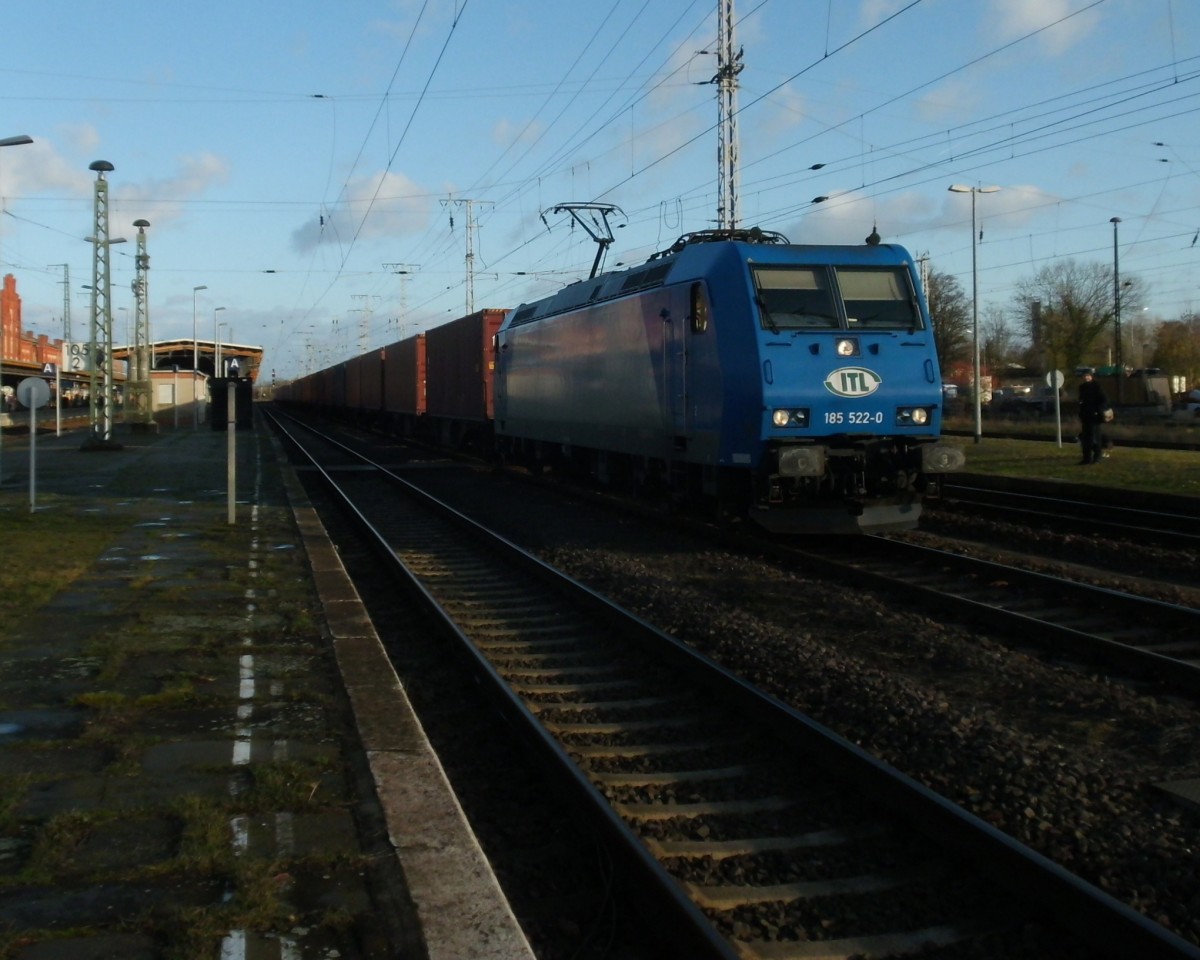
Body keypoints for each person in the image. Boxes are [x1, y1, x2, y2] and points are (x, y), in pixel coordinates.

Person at [1077, 371, 1108, 465]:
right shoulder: (1082, 388)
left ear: (1091, 377)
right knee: (1086, 438)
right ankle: (1086, 458)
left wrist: (1097, 411)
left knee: (1094, 437)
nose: (1086, 378)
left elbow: (1103, 400)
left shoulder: (1096, 387)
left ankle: (1097, 457)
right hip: (1085, 415)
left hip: (1094, 416)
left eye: (1088, 376)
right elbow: (1081, 401)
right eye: (1084, 376)